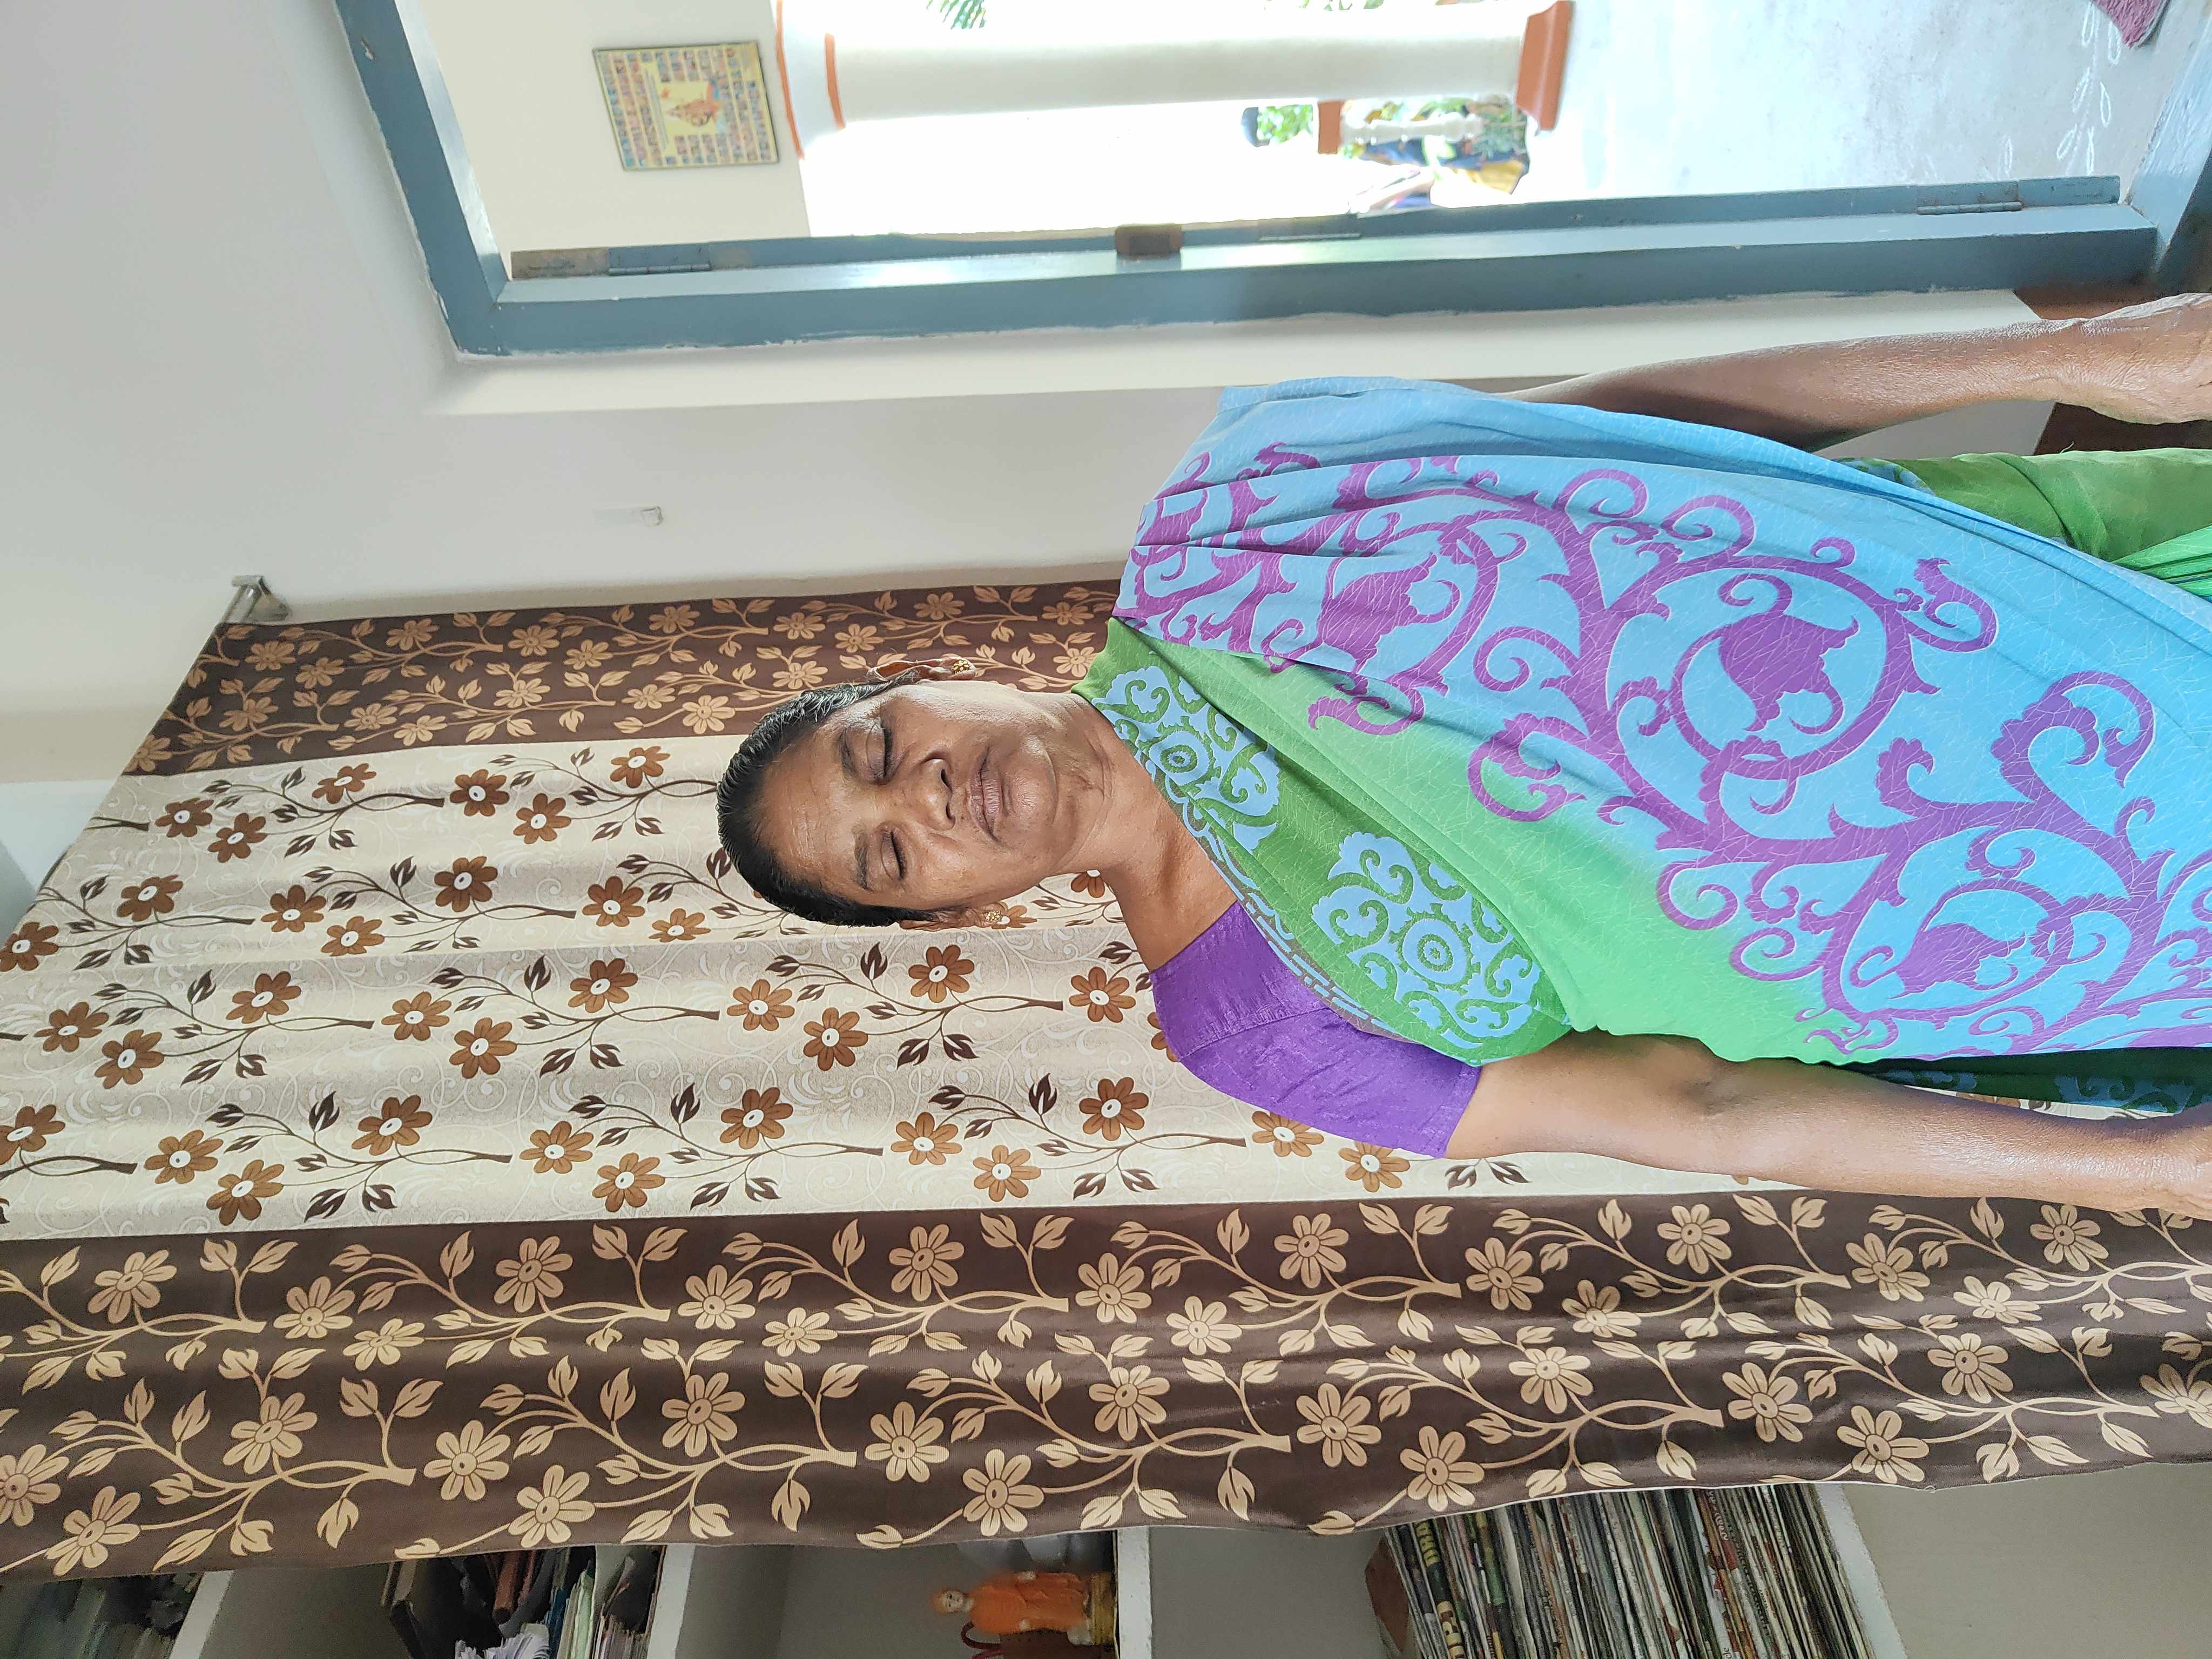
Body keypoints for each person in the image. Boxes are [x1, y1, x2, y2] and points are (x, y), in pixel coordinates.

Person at [718, 296, 2212, 1219]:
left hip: (2079, 601)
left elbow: (1668, 426)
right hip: (2098, 916)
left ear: (939, 676)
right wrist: (2141, 1172)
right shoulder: (1249, 1032)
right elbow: (1697, 1111)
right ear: (960, 911)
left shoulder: (1248, 514)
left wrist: (2075, 357)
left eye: (880, 746)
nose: (924, 795)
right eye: (890, 854)